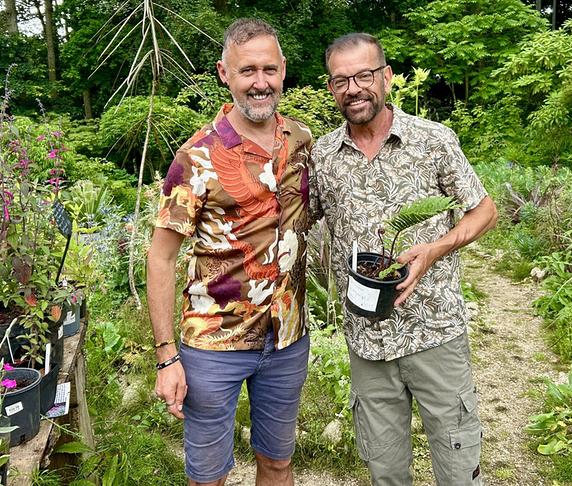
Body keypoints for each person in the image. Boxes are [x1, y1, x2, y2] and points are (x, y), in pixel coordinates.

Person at [310, 33, 498, 486]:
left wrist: (436, 249)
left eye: (364, 76)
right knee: (385, 470)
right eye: (341, 81)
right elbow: (295, 220)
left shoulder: (432, 141)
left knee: (457, 468)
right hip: (367, 340)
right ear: (332, 89)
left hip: (435, 330)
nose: (353, 88)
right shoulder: (323, 156)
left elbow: (484, 210)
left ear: (387, 78)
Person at [147, 18, 313, 486]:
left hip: (287, 336)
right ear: (225, 73)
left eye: (269, 69)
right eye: (247, 71)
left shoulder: (300, 142)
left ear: (283, 71)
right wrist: (165, 357)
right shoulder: (197, 156)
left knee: (278, 462)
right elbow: (161, 257)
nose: (259, 83)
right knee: (209, 475)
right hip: (212, 344)